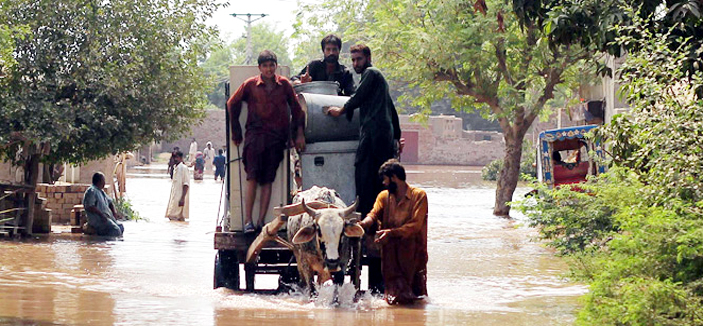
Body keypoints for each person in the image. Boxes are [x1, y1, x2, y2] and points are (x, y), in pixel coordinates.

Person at [227, 50, 306, 234]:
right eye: (265, 66)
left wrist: (298, 133)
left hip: (276, 138)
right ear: (259, 68)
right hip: (254, 137)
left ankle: (261, 221)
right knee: (252, 177)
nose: (269, 69)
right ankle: (248, 221)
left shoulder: (284, 85)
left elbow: (297, 110)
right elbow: (232, 104)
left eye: (272, 65)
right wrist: (236, 130)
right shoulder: (251, 85)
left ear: (276, 66)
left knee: (268, 180)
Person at [325, 44, 402, 218]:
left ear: (368, 58)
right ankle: (380, 217)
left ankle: (368, 220)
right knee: (381, 178)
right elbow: (392, 109)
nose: (355, 63)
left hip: (374, 135)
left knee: (365, 178)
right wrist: (397, 137)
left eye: (359, 59)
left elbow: (358, 97)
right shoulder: (379, 80)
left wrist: (340, 111)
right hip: (384, 137)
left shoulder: (371, 73)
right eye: (353, 60)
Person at [359, 159, 428, 305]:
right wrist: (363, 224)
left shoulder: (419, 196)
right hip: (390, 257)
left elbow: (415, 225)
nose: (383, 183)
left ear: (394, 178)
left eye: (385, 179)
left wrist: (391, 233)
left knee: (416, 298)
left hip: (414, 256)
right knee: (393, 298)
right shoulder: (383, 197)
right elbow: (374, 214)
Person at [82, 172, 124, 237]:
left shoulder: (101, 191)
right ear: (99, 181)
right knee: (115, 230)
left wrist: (114, 213)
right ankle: (104, 242)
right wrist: (101, 215)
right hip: (99, 220)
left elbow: (110, 202)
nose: (104, 183)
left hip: (107, 218)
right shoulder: (91, 191)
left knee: (121, 227)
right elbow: (90, 206)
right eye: (103, 181)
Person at [165, 151, 190, 221]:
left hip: (180, 200)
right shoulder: (176, 168)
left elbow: (186, 184)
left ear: (180, 158)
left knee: (175, 218)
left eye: (175, 158)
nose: (173, 160)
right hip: (174, 200)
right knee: (173, 219)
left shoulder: (183, 168)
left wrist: (182, 198)